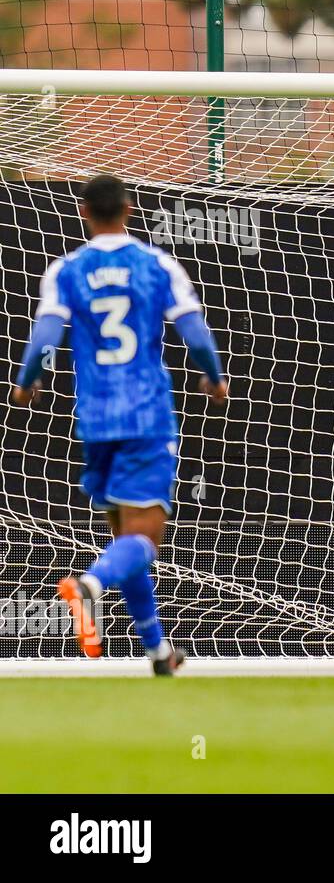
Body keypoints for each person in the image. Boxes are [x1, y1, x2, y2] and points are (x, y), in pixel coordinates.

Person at [11, 174, 228, 675]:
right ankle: (88, 586)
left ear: (85, 211)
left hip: (96, 418)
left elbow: (47, 335)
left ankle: (157, 652)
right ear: (129, 209)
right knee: (144, 541)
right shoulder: (156, 265)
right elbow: (193, 333)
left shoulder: (67, 269)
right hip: (146, 416)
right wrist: (213, 377)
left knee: (127, 541)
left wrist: (29, 380)